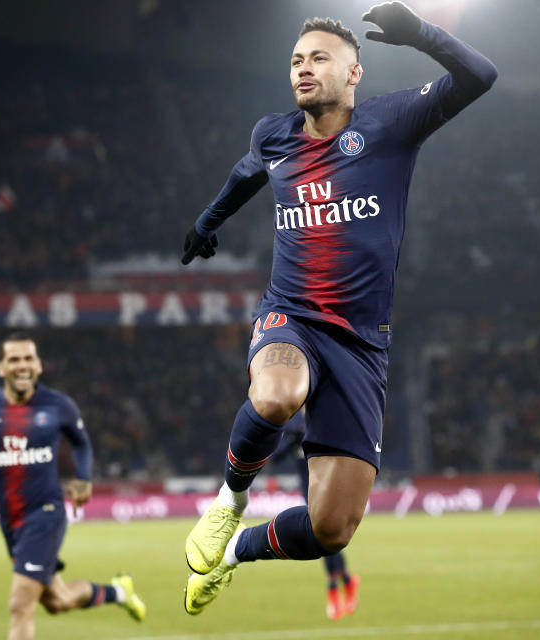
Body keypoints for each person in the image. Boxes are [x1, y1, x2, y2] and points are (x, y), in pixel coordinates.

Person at [180, 1, 496, 614]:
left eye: (319, 58)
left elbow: (480, 76)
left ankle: (234, 553)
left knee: (332, 529)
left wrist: (422, 34)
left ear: (354, 72)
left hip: (360, 343)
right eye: (296, 60)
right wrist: (206, 222)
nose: (303, 68)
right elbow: (248, 171)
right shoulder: (274, 133)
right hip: (290, 315)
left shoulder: (391, 122)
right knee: (275, 395)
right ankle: (227, 503)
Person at [0, 333, 146, 639]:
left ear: (39, 365)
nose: (22, 366)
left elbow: (82, 444)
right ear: (1, 367)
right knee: (57, 601)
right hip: (11, 521)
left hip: (45, 513)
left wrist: (83, 477)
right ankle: (119, 593)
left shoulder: (59, 405)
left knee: (20, 603)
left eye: (28, 358)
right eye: (14, 359)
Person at [272, 411, 359, 620]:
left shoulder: (324, 413)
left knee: (323, 535)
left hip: (329, 485)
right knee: (326, 536)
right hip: (308, 491)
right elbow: (276, 457)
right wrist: (292, 439)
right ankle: (347, 581)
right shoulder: (291, 420)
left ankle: (333, 590)